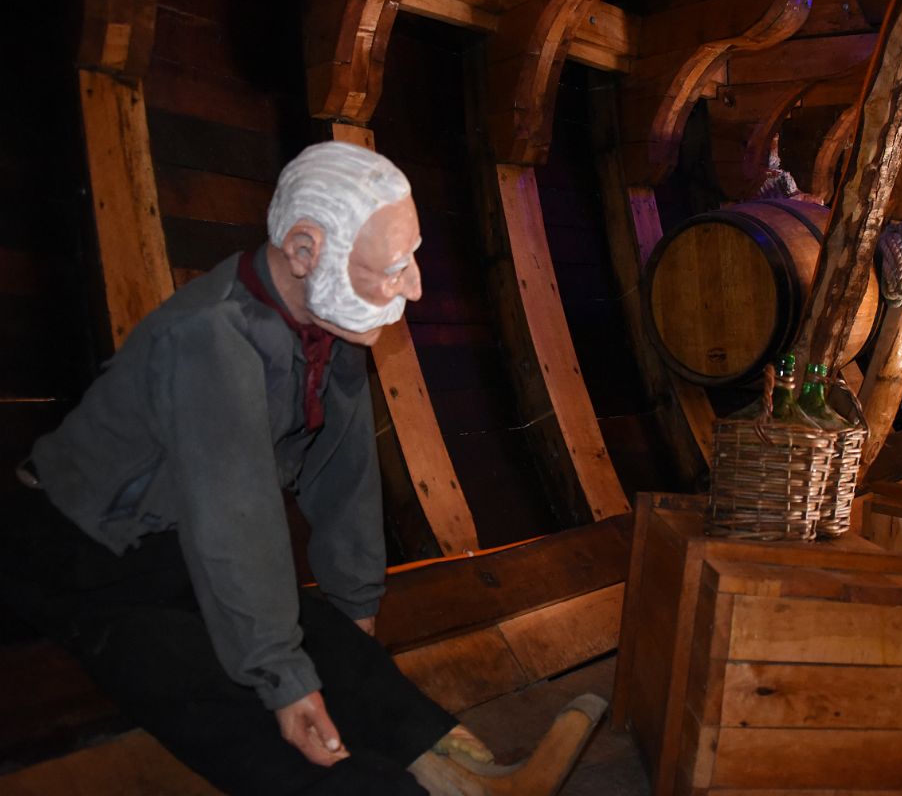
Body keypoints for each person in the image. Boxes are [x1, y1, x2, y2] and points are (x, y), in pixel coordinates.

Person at [1, 141, 603, 795]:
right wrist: (285, 680)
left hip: (167, 542)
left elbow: (343, 479)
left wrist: (355, 609)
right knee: (213, 688)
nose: (416, 286)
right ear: (304, 250)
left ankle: (471, 776)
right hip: (74, 549)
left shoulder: (328, 326)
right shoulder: (211, 337)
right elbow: (236, 516)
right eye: (395, 267)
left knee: (315, 630)